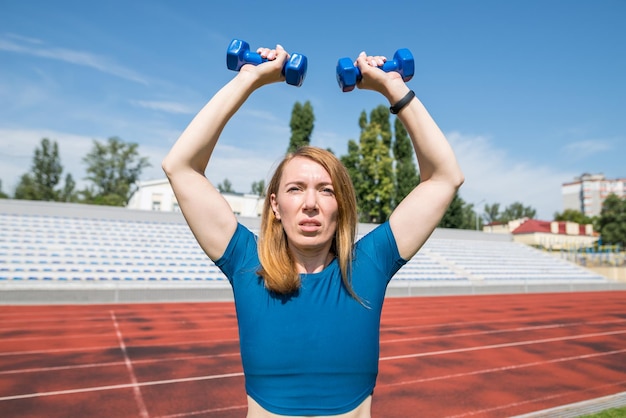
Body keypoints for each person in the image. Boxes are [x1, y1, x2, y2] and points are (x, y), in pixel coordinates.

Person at [162, 44, 464, 418]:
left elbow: (445, 178)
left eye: (326, 190)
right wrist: (249, 79)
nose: (310, 203)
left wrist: (393, 87)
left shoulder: (368, 264)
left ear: (342, 205)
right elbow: (180, 167)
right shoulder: (246, 262)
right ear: (275, 205)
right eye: (295, 189)